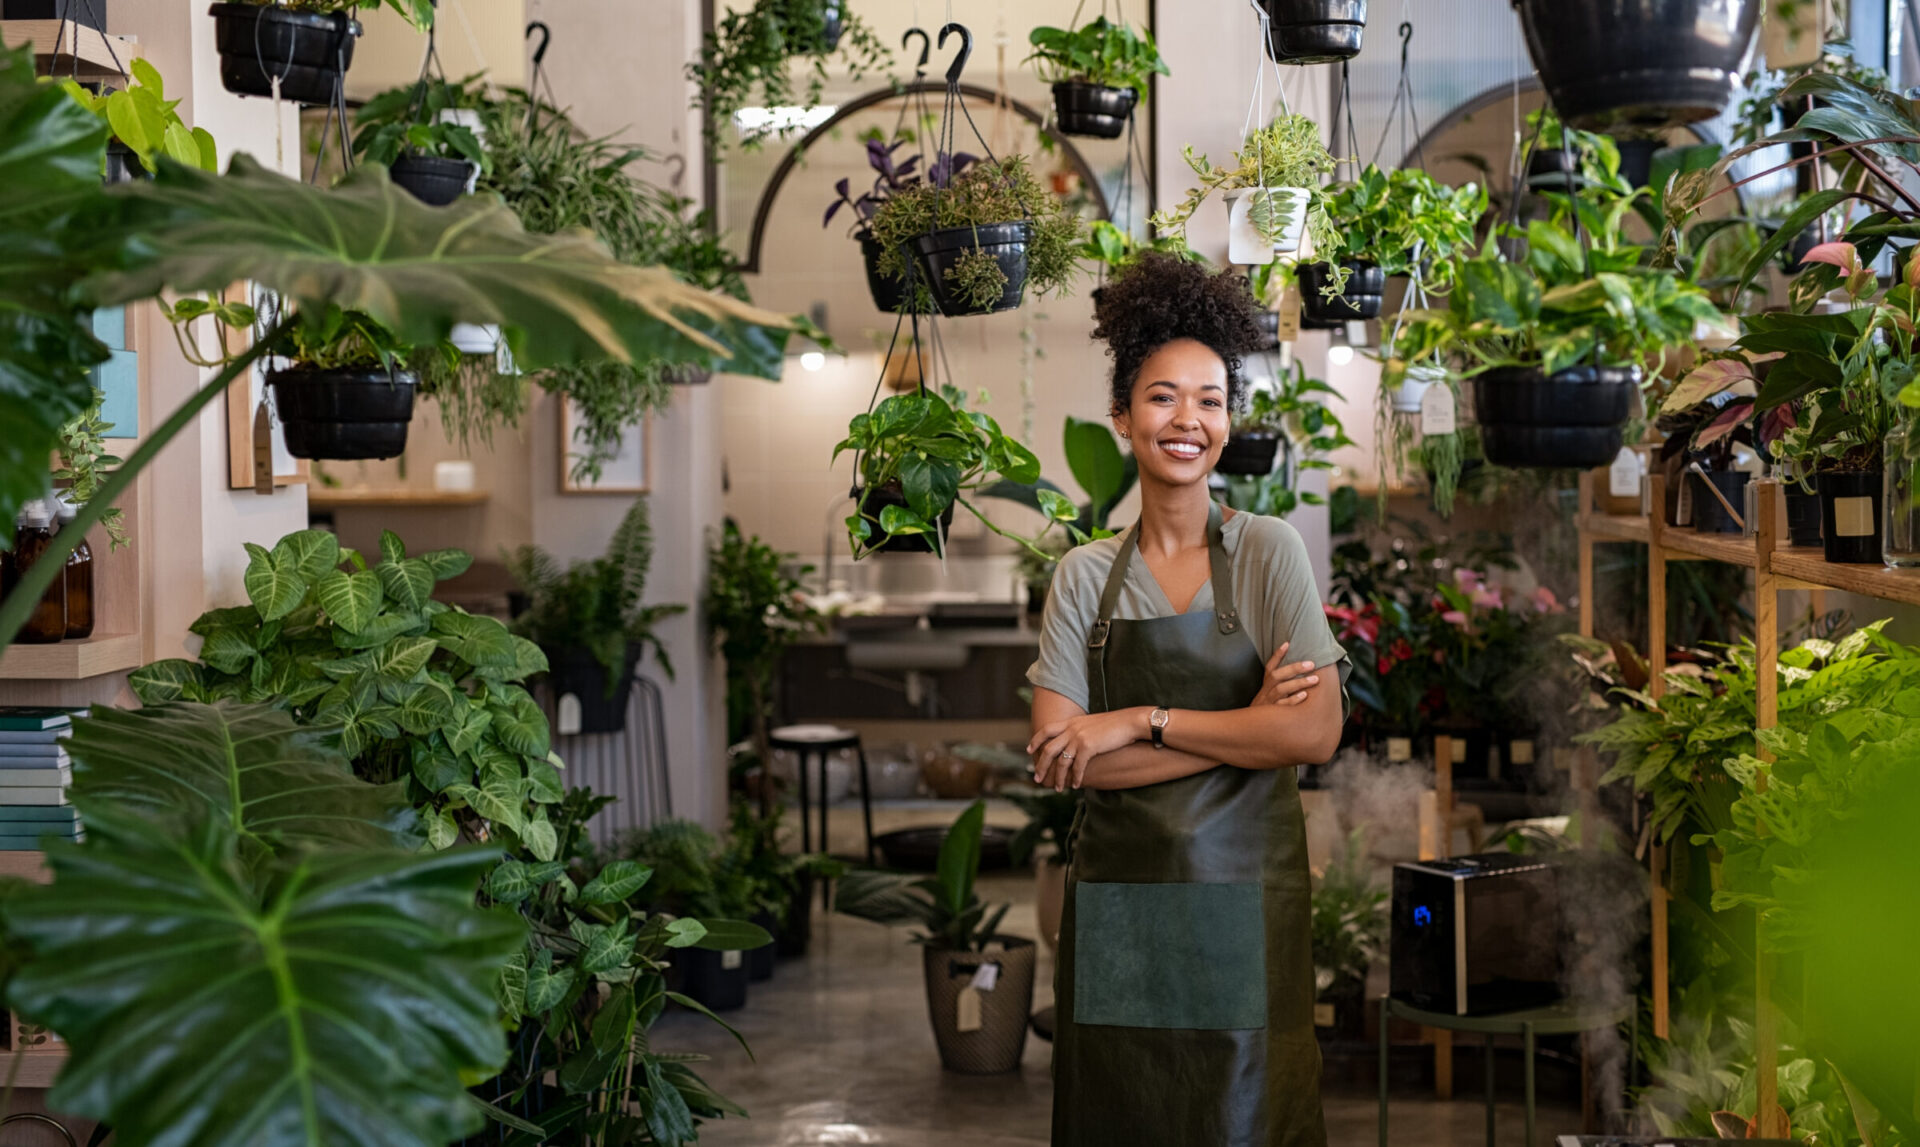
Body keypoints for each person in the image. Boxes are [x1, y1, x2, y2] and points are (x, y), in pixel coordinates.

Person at [1026, 252, 1348, 1147]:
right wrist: (1255, 727)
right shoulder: (1084, 577)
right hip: (1123, 910)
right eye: (1164, 397)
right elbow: (1060, 755)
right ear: (1123, 415)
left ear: (1229, 420)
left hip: (1246, 906)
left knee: (1247, 1118)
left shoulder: (1268, 551)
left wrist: (1137, 719)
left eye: (1210, 400)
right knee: (1124, 1116)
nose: (1188, 420)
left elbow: (1316, 730)